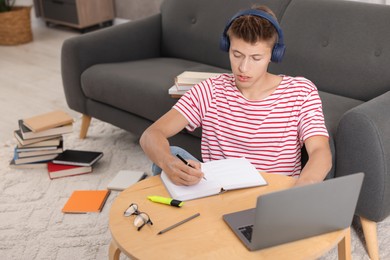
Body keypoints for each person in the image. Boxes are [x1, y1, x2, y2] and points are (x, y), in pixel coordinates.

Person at [140, 5, 332, 187]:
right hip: (218, 192)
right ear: (227, 47)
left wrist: (304, 187)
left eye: (256, 58)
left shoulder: (301, 92)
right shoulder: (209, 90)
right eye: (237, 54)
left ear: (274, 54)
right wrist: (169, 163)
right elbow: (151, 135)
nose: (243, 68)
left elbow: (319, 151)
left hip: (272, 195)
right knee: (170, 156)